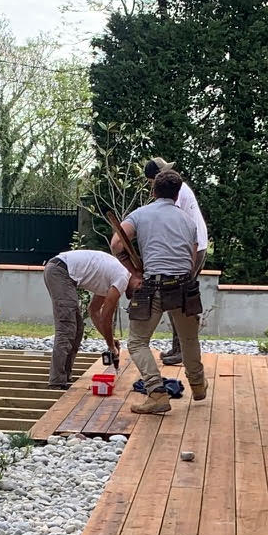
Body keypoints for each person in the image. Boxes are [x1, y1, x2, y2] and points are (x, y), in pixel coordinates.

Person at [112, 168, 204, 416]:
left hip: (153, 285)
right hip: (184, 286)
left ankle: (156, 393)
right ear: (177, 194)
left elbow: (117, 243)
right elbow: (192, 257)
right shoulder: (188, 220)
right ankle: (198, 385)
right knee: (188, 339)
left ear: (153, 191)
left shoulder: (140, 214)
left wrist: (133, 271)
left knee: (137, 342)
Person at [144, 158, 208, 365]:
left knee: (178, 297)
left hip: (192, 248)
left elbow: (173, 222)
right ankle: (178, 348)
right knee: (176, 296)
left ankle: (181, 350)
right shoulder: (180, 189)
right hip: (194, 245)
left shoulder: (177, 193)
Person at [40, 247, 130, 388]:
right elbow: (106, 317)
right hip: (60, 271)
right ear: (138, 279)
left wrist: (110, 341)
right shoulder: (123, 278)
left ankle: (65, 376)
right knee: (66, 328)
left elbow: (94, 311)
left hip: (60, 270)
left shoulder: (113, 278)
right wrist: (111, 346)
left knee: (78, 329)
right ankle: (57, 382)